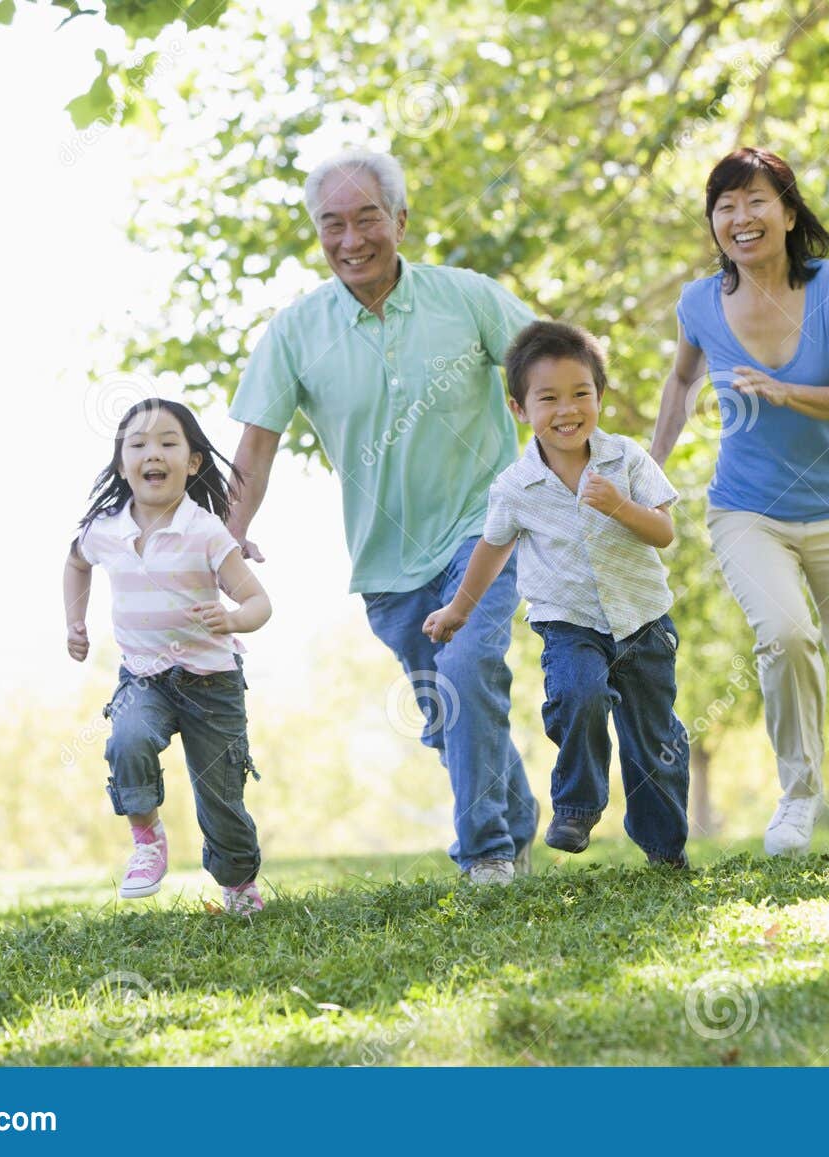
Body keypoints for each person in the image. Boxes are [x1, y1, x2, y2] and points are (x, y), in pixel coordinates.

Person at [226, 148, 538, 884]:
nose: (351, 239)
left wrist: (581, 472)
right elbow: (255, 447)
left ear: (400, 220)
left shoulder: (468, 298)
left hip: (484, 529)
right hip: (387, 562)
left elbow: (555, 366)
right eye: (332, 224)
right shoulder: (294, 332)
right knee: (446, 715)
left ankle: (486, 855)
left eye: (368, 218)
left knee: (469, 664)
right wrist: (225, 540)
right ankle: (517, 817)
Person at [651, 146, 829, 856]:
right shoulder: (699, 304)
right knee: (784, 634)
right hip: (746, 509)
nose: (740, 218)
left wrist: (787, 392)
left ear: (787, 210)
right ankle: (799, 796)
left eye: (755, 202)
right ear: (714, 223)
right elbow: (682, 383)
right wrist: (651, 465)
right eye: (725, 207)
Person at [424, 321, 690, 867]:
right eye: (548, 398)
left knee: (653, 743)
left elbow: (664, 533)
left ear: (599, 396)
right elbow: (492, 550)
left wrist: (620, 505)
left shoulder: (627, 460)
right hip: (568, 622)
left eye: (580, 394)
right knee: (578, 694)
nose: (567, 410)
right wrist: (458, 609)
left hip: (642, 620)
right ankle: (576, 806)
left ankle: (665, 852)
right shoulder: (514, 487)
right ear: (520, 409)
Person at [64, 398, 273, 914]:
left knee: (221, 798)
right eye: (137, 444)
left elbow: (259, 602)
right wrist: (75, 619)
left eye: (167, 443)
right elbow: (75, 562)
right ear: (121, 463)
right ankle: (147, 839)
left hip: (212, 683)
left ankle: (238, 884)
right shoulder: (105, 530)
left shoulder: (206, 531)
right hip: (144, 678)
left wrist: (233, 618)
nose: (151, 453)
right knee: (127, 740)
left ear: (193, 461)